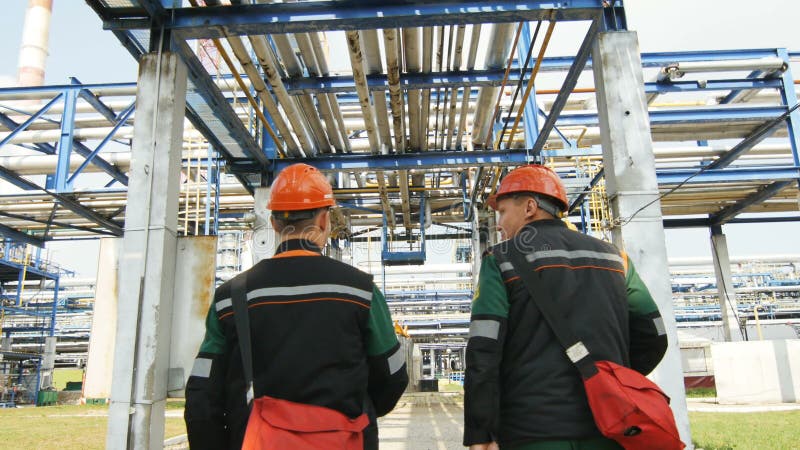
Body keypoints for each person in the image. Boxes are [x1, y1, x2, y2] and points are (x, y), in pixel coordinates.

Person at [185, 163, 408, 450]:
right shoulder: (360, 291)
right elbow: (393, 376)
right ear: (325, 220)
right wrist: (354, 411)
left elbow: (202, 393)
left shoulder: (231, 296)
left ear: (275, 223)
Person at [463, 165, 668, 450]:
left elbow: (484, 349)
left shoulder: (500, 260)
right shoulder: (615, 258)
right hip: (610, 426)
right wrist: (608, 381)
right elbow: (654, 334)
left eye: (503, 211)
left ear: (530, 207)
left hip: (532, 431)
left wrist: (480, 431)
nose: (499, 223)